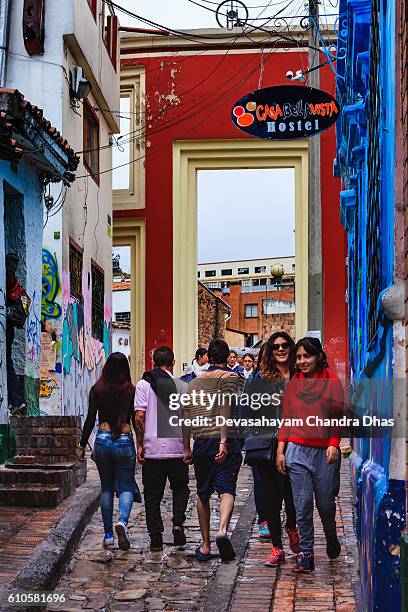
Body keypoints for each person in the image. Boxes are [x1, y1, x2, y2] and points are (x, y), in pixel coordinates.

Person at [277, 337, 344, 573]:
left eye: (307, 356)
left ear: (318, 356)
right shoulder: (294, 382)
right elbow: (286, 417)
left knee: (325, 504)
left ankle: (330, 533)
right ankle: (307, 554)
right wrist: (281, 449)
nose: (302, 361)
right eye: (299, 357)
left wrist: (334, 444)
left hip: (325, 452)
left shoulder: (332, 381)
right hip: (297, 451)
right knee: (302, 504)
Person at [183, 339, 244, 562]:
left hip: (201, 443)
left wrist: (186, 447)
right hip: (224, 439)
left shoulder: (194, 383)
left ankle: (206, 544)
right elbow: (227, 408)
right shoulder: (231, 378)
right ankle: (222, 531)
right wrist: (224, 441)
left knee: (203, 493)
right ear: (227, 357)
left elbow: (186, 418)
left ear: (208, 357)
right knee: (226, 488)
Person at [245, 332, 300, 567]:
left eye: (284, 345)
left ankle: (292, 526)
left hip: (297, 444)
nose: (280, 349)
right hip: (268, 446)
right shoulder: (260, 378)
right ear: (270, 351)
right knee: (271, 498)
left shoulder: (302, 375)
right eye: (275, 346)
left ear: (291, 348)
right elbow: (246, 411)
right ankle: (277, 548)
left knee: (294, 497)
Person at [78, 353, 138, 551]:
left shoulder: (97, 389)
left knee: (106, 489)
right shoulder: (131, 390)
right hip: (124, 440)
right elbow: (136, 421)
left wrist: (81, 446)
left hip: (102, 439)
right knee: (126, 487)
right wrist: (142, 445)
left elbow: (89, 420)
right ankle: (122, 521)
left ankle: (108, 535)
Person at [135, 346, 190, 551]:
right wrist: (186, 448)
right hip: (176, 448)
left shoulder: (143, 385)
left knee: (152, 495)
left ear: (153, 363)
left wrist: (139, 444)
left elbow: (139, 417)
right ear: (173, 363)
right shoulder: (182, 386)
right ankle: (177, 522)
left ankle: (156, 538)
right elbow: (186, 420)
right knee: (181, 488)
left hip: (153, 449)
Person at [6, 253, 29, 416]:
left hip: (5, 327)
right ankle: (16, 400)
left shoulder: (5, 279)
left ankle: (15, 400)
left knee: (6, 363)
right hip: (10, 328)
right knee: (8, 363)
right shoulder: (15, 284)